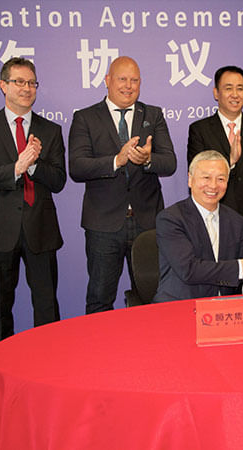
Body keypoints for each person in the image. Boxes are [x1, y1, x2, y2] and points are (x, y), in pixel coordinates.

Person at [0, 57, 66, 348]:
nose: (26, 88)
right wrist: (16, 167)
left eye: (32, 83)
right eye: (19, 82)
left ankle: (50, 367)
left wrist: (34, 165)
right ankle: (2, 368)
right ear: (3, 85)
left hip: (40, 228)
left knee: (47, 306)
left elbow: (59, 180)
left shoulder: (51, 130)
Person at [69, 56, 176, 313]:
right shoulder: (85, 117)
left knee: (153, 297)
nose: (128, 86)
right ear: (108, 80)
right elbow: (77, 167)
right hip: (103, 225)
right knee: (100, 298)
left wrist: (148, 159)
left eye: (134, 80)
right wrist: (117, 160)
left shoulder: (153, 114)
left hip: (147, 222)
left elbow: (170, 162)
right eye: (122, 79)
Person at [154, 151, 243, 302]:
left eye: (220, 179)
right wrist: (242, 267)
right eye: (206, 178)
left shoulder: (237, 221)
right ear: (190, 179)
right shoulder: (171, 218)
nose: (213, 185)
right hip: (180, 305)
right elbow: (189, 270)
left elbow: (236, 276)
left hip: (224, 308)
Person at [187, 66, 243, 259]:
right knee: (216, 275)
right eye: (228, 88)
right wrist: (229, 162)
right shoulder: (200, 129)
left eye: (240, 88)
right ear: (216, 93)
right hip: (212, 219)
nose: (235, 94)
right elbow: (196, 174)